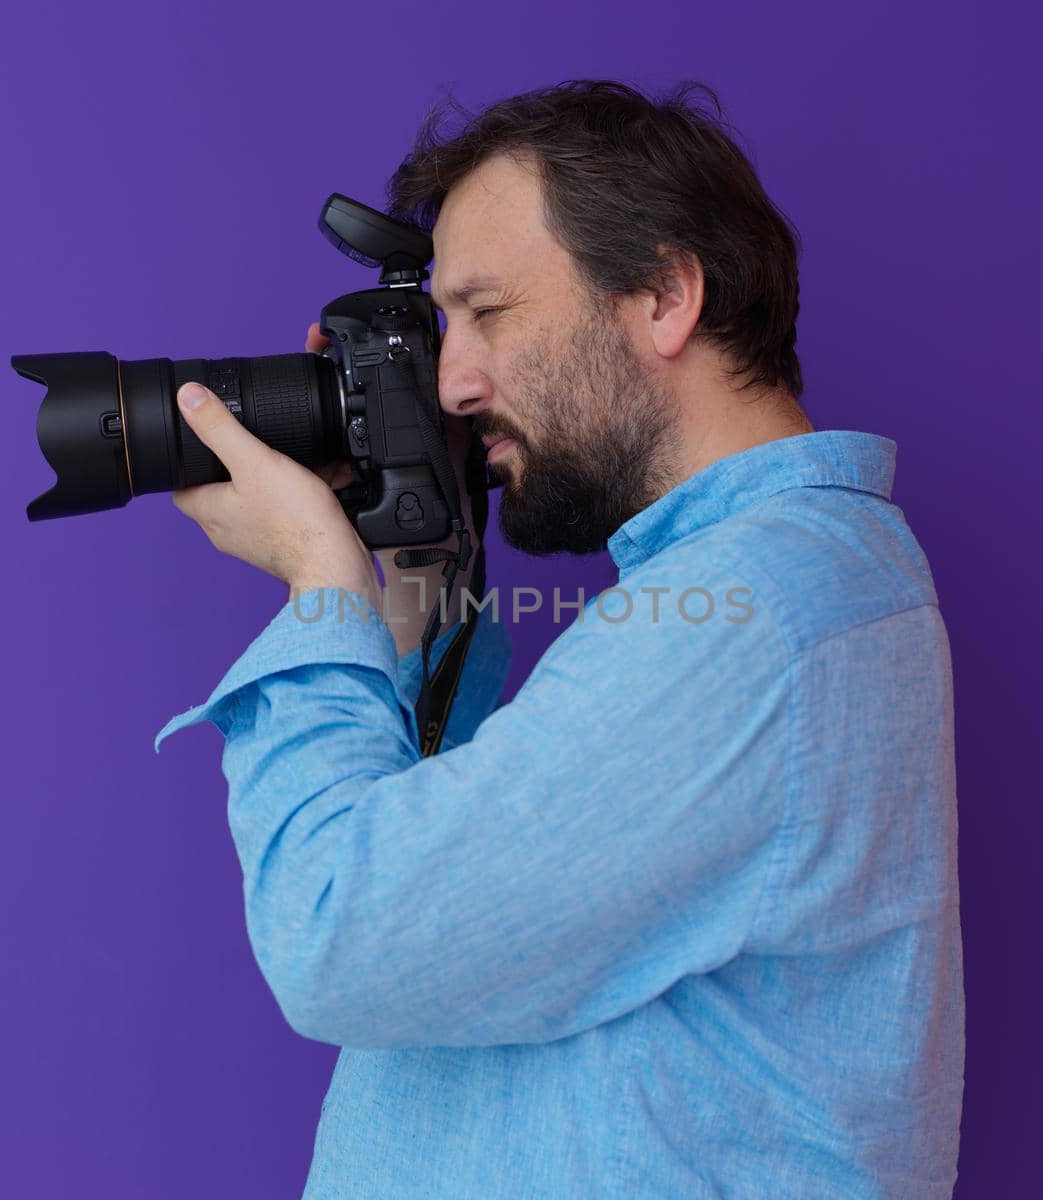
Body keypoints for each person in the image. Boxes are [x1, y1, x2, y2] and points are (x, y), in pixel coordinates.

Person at [156, 80, 963, 1200]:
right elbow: (463, 904)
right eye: (445, 329)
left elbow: (340, 934)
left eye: (490, 312)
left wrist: (318, 589)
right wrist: (408, 553)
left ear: (664, 296)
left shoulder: (753, 613)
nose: (453, 380)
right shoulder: (773, 585)